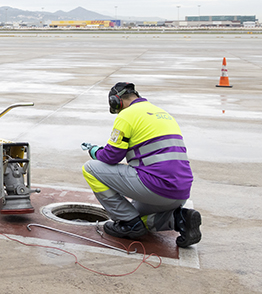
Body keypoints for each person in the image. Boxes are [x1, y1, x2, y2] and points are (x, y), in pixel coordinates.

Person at [81, 82, 201, 247]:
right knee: (135, 213)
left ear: (117, 101)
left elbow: (111, 157)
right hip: (180, 192)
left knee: (90, 168)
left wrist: (95, 151)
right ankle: (179, 219)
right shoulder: (162, 113)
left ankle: (129, 223)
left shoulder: (127, 115)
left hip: (156, 187)